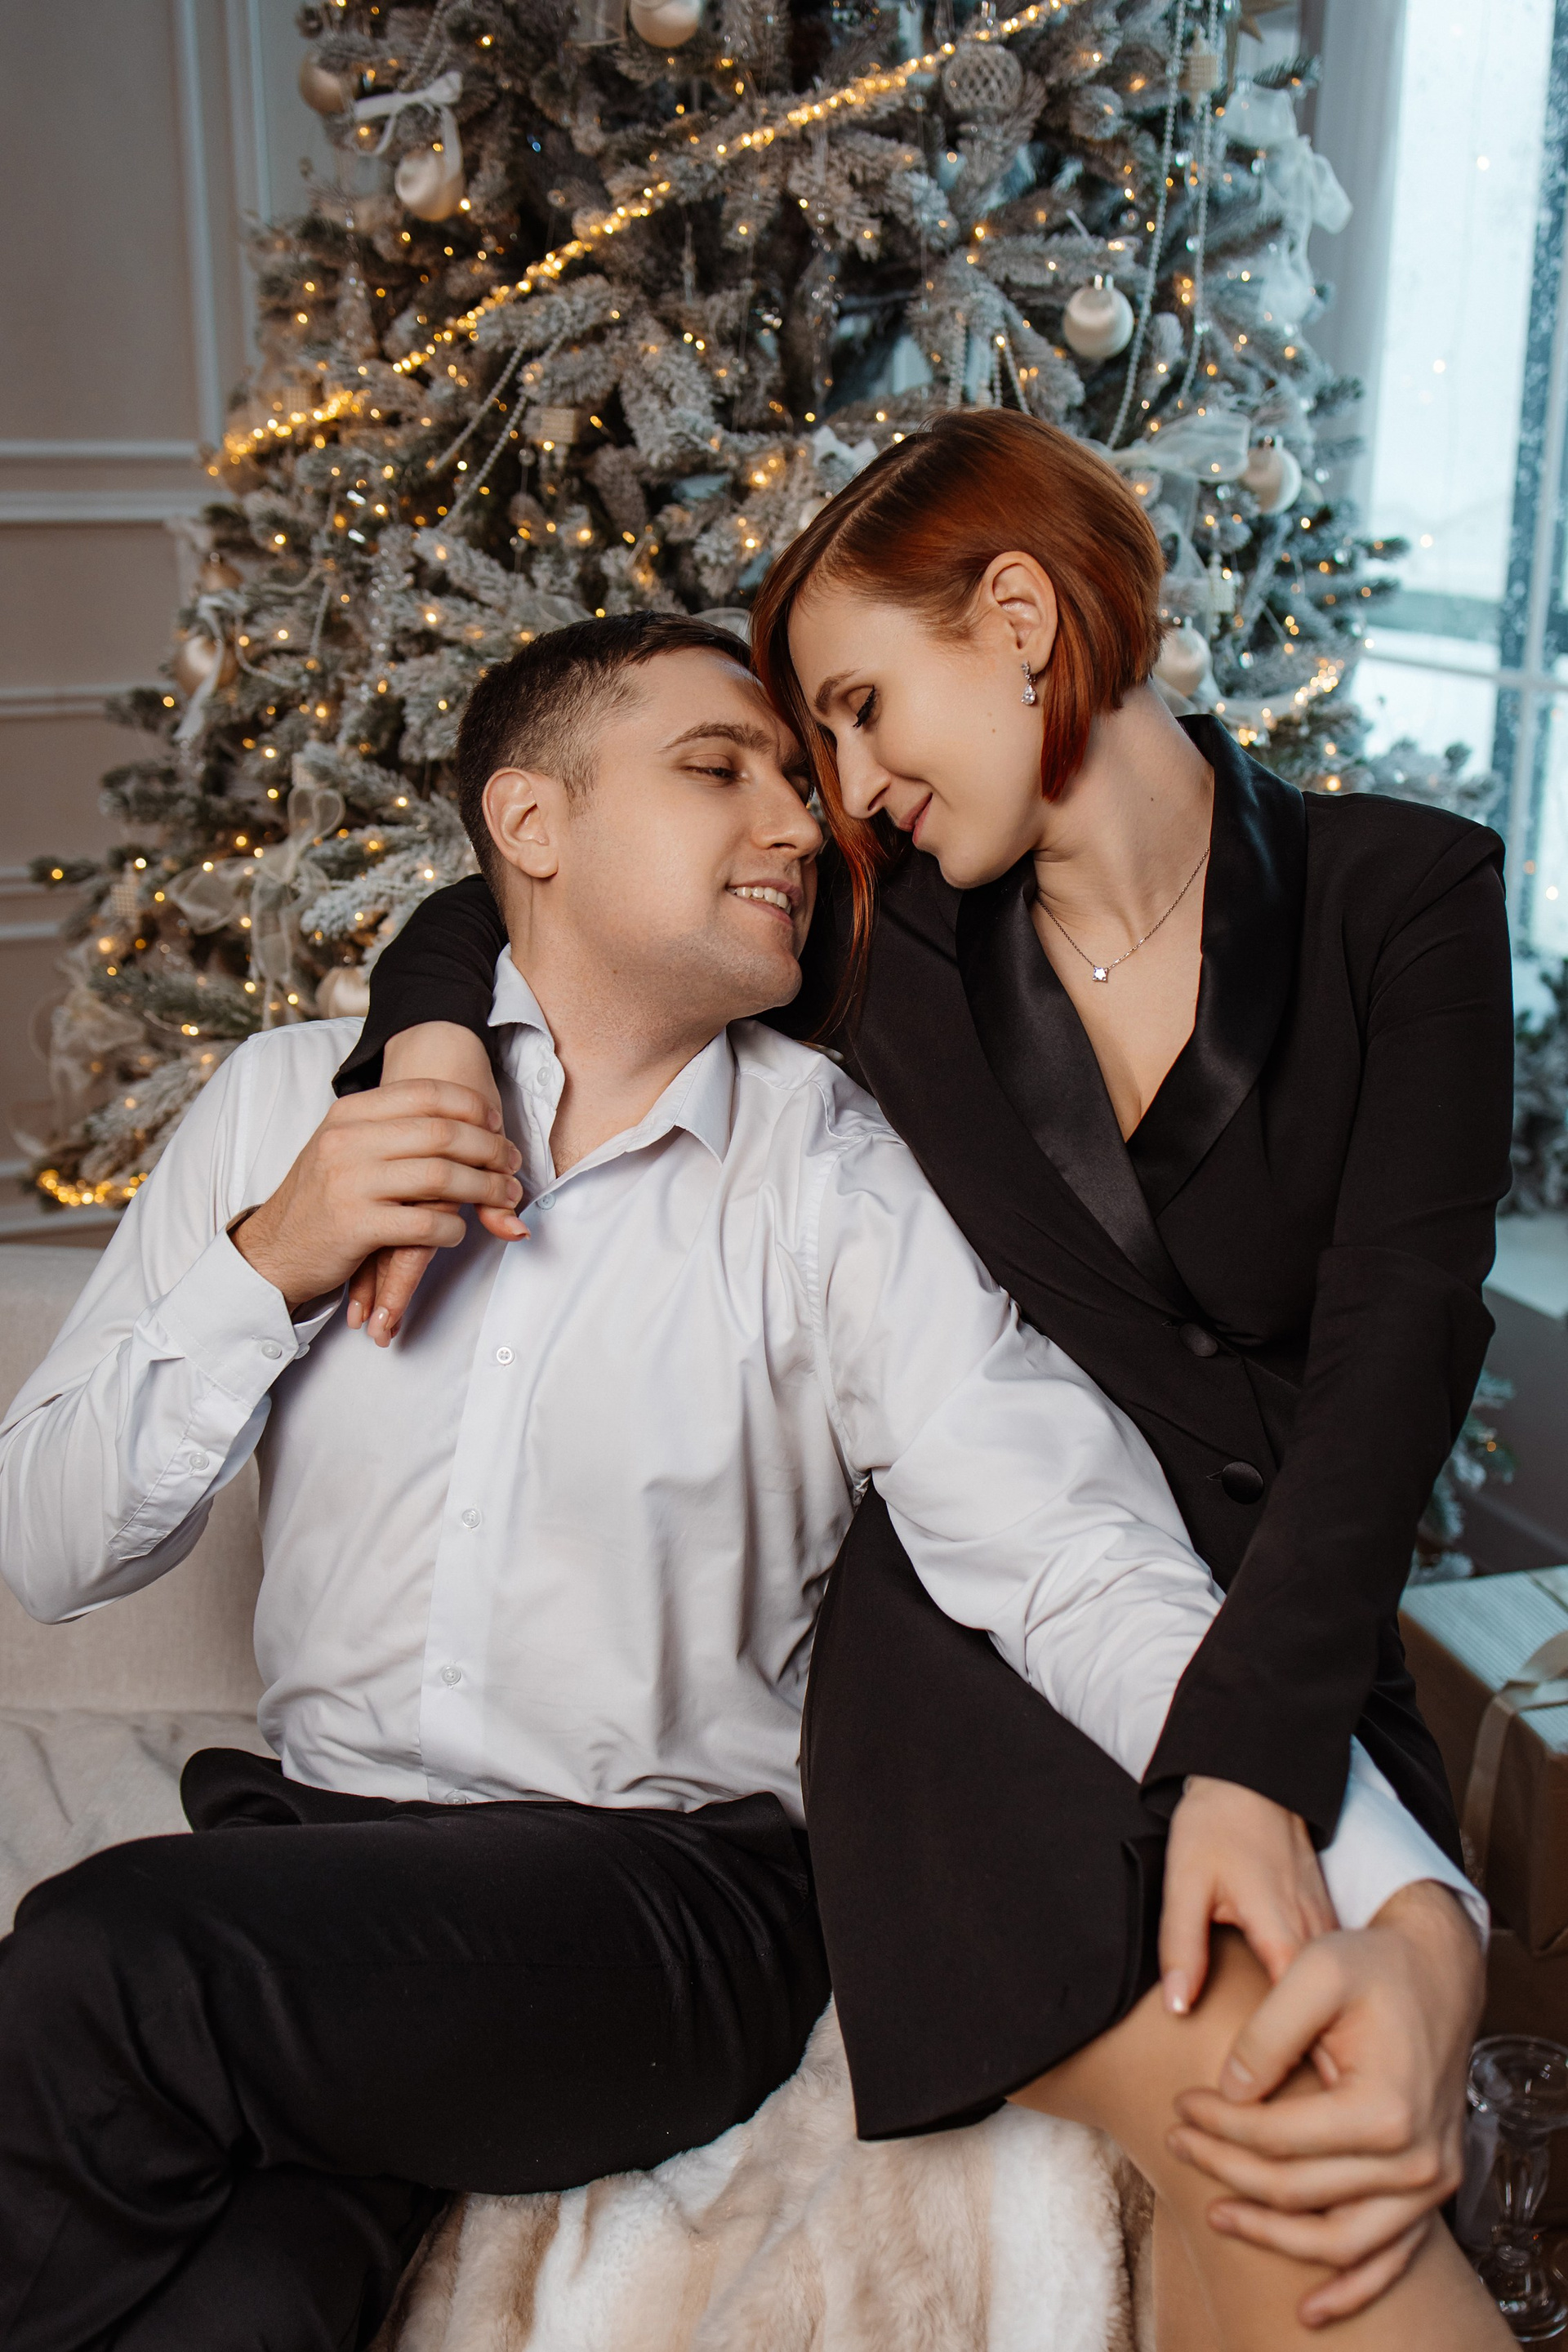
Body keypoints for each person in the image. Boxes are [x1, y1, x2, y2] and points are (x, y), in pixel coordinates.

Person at [0, 616, 1499, 2352]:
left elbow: (1074, 1559)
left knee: (102, 1957)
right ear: (531, 824)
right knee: (238, 2306)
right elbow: (47, 1548)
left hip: (659, 1912)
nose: (800, 819)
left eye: (801, 775)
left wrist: (1403, 1894)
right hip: (311, 1878)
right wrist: (274, 1259)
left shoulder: (837, 1179)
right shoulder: (287, 1107)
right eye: (720, 770)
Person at [343, 416, 1516, 2345]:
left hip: (1287, 1640)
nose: (851, 795)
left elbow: (1402, 1342)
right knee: (1288, 2157)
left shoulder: (1406, 899)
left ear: (1022, 617)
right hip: (983, 1681)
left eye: (864, 711)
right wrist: (427, 1042)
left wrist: (1305, 1803)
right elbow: (520, 894)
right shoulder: (887, 951)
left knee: (1275, 2192)